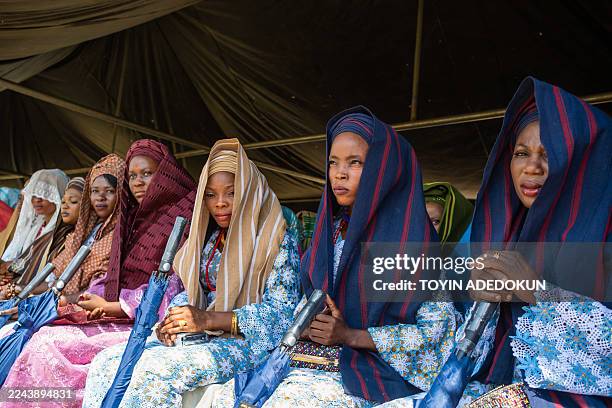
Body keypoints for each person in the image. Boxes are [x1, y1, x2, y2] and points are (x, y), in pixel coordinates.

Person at [213, 108, 456, 407]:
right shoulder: (332, 233)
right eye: (333, 162)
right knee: (229, 395)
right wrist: (308, 322)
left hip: (376, 371)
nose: (339, 173)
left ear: (384, 171)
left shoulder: (413, 242)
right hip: (315, 358)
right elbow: (309, 299)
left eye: (355, 162)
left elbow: (435, 335)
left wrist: (351, 335)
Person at [83, 138, 301, 408]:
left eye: (231, 192)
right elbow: (194, 290)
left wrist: (209, 319)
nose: (219, 203)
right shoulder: (214, 239)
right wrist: (172, 321)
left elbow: (282, 314)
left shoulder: (275, 239)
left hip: (249, 344)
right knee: (107, 363)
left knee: (153, 375)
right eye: (210, 194)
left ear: (249, 190)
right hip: (204, 337)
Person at [1, 141, 197, 408]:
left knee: (49, 347)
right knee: (40, 339)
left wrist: (114, 306)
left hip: (148, 321)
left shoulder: (185, 219)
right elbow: (111, 277)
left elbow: (177, 284)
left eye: (147, 174)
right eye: (133, 176)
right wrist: (87, 300)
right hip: (114, 312)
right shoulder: (133, 221)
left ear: (165, 173)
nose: (138, 182)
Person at [0, 170, 68, 279]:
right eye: (34, 194)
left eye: (45, 194)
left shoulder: (61, 232)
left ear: (57, 196)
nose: (37, 200)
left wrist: (12, 267)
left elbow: (42, 265)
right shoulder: (35, 227)